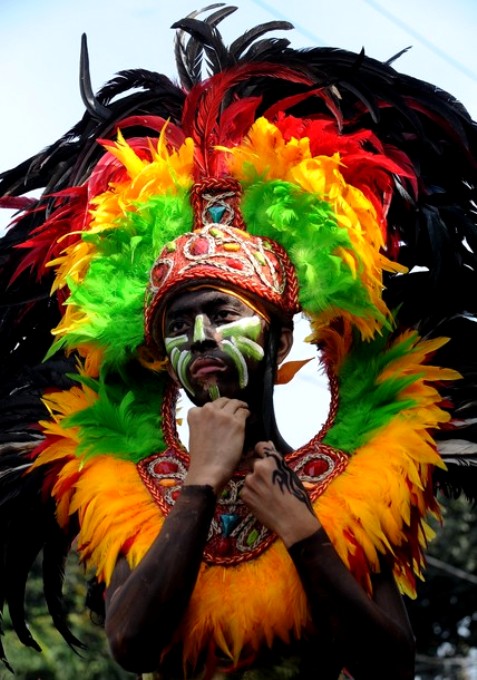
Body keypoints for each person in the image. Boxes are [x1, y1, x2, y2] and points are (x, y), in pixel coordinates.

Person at [0, 5, 476, 680]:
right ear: (159, 355)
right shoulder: (132, 485)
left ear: (280, 331)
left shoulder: (363, 473)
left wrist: (302, 531)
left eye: (224, 314)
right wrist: (197, 486)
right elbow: (131, 643)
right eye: (177, 327)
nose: (200, 339)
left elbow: (386, 662)